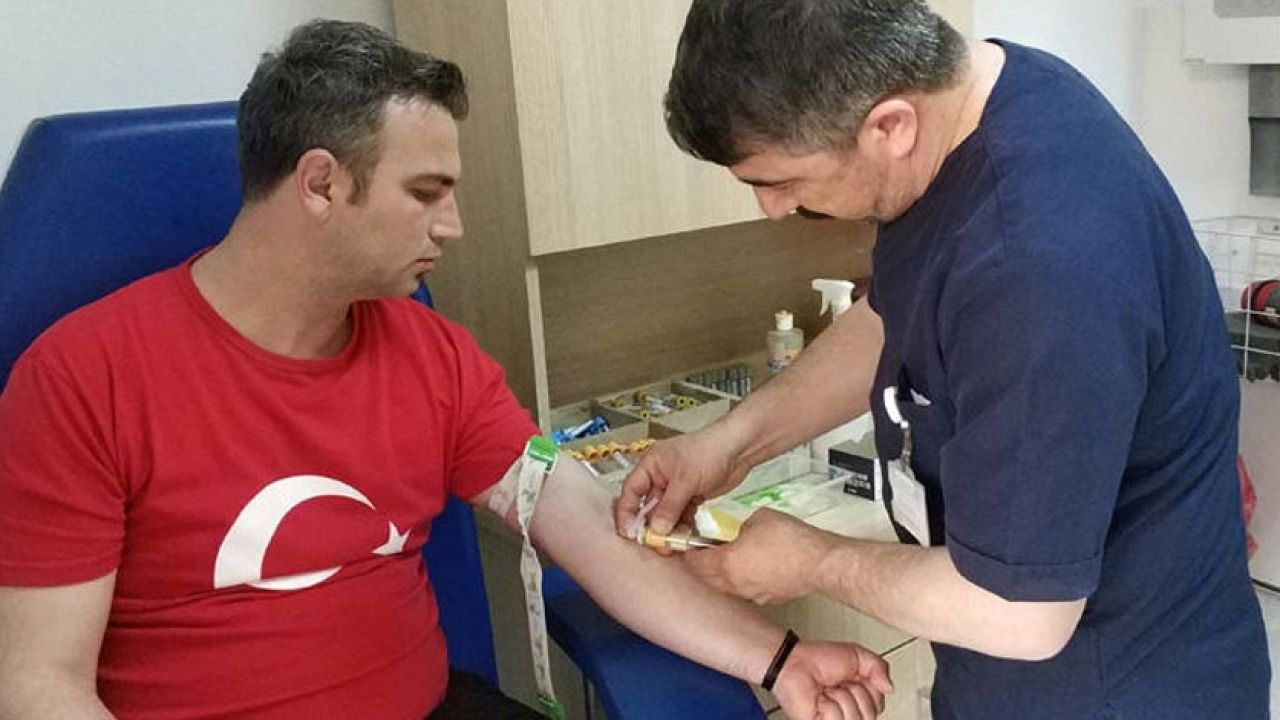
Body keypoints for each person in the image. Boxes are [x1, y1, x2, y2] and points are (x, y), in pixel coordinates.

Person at [0, 19, 893, 720]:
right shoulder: (85, 379)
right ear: (320, 183)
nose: (453, 225)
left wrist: (781, 659)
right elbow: (40, 684)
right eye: (426, 192)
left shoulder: (431, 355)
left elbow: (590, 534)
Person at [616, 1, 1271, 718]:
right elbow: (894, 312)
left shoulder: (1038, 265)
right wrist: (732, 442)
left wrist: (809, 560)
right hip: (1008, 672)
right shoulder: (987, 100)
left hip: (1117, 689)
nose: (772, 209)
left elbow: (1021, 612)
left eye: (781, 181)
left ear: (890, 126)